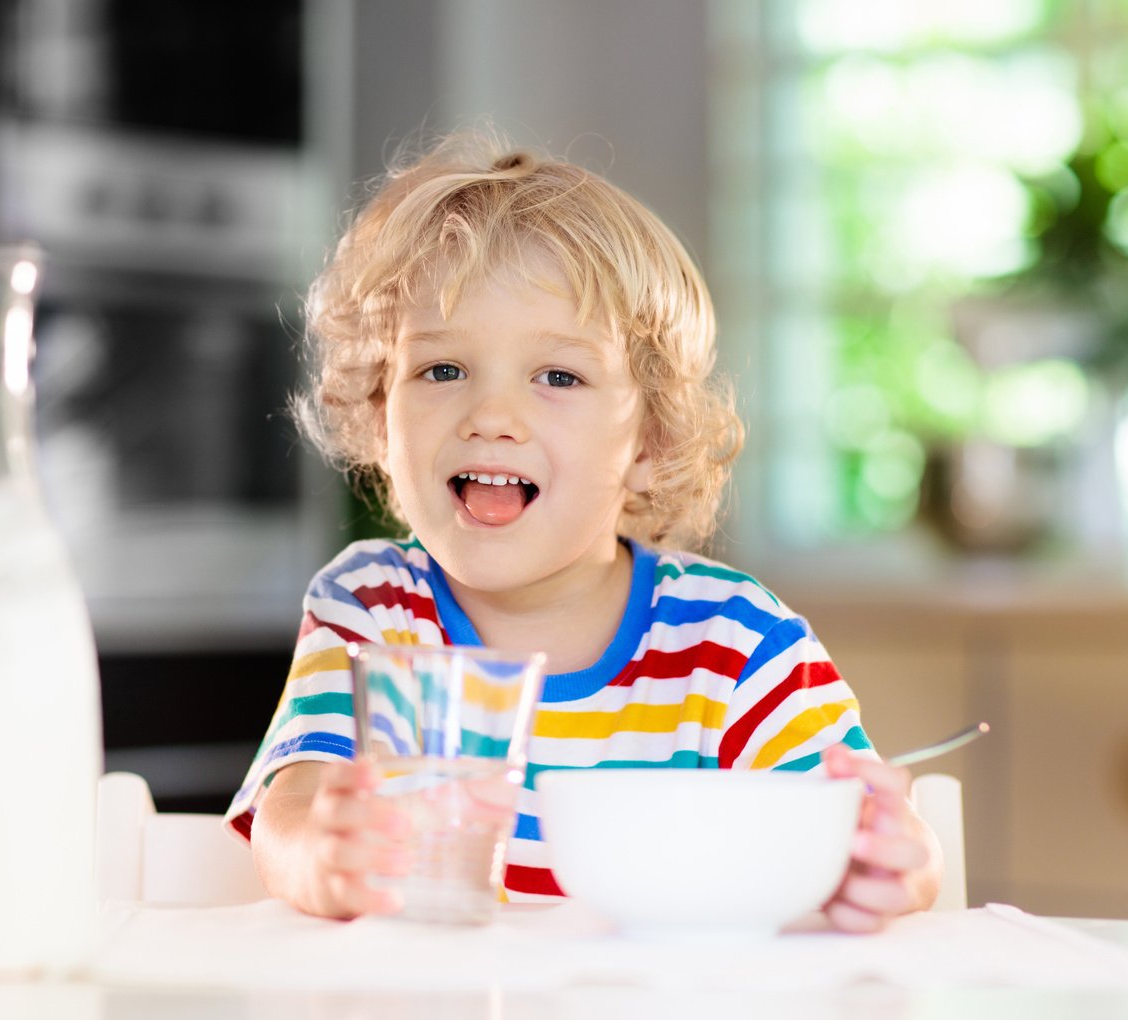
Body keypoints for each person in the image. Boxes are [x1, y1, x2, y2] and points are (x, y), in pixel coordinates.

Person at [224, 130, 941, 932]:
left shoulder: (735, 643)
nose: (491, 416)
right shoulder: (371, 611)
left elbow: (860, 829)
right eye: (441, 370)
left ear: (651, 442)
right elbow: (293, 806)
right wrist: (323, 856)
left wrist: (879, 863)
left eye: (558, 376)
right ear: (377, 416)